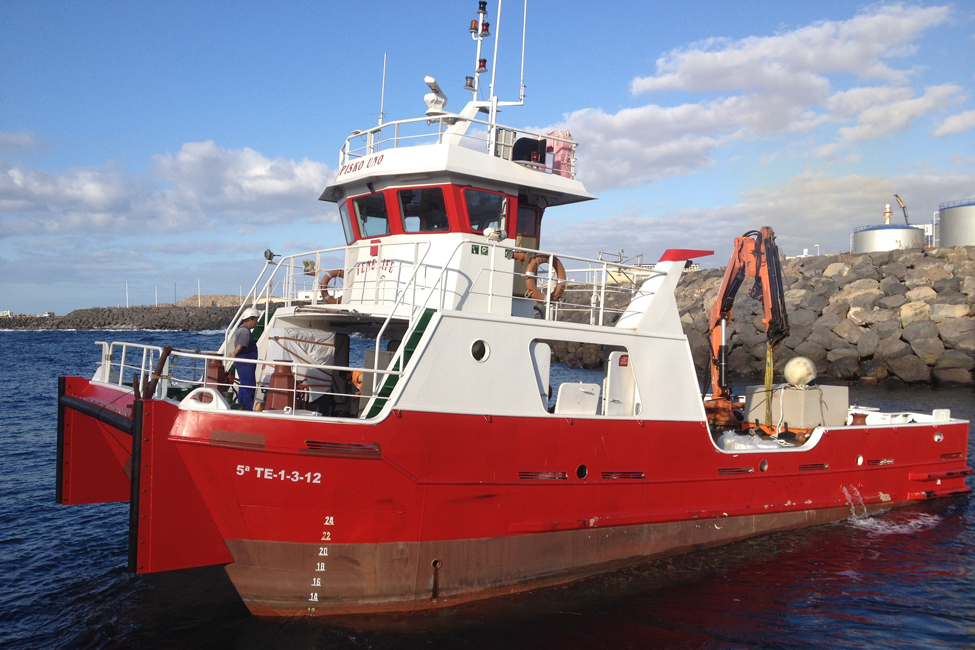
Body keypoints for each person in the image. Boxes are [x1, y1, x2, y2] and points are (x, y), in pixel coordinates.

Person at [229, 308, 261, 410]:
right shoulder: (245, 332)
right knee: (248, 386)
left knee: (244, 385)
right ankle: (247, 408)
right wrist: (234, 354)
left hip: (245, 364)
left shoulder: (241, 330)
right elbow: (240, 346)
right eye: (256, 319)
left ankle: (241, 406)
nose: (257, 322)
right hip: (246, 364)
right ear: (250, 319)